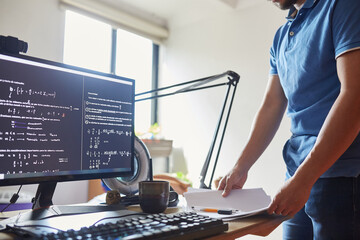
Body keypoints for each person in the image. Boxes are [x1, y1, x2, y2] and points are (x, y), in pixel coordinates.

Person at [218, 0, 360, 239]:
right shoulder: (281, 37)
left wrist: (304, 179)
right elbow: (272, 105)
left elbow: (355, 95)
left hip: (341, 176)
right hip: (296, 174)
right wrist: (240, 167)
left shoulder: (343, 6)